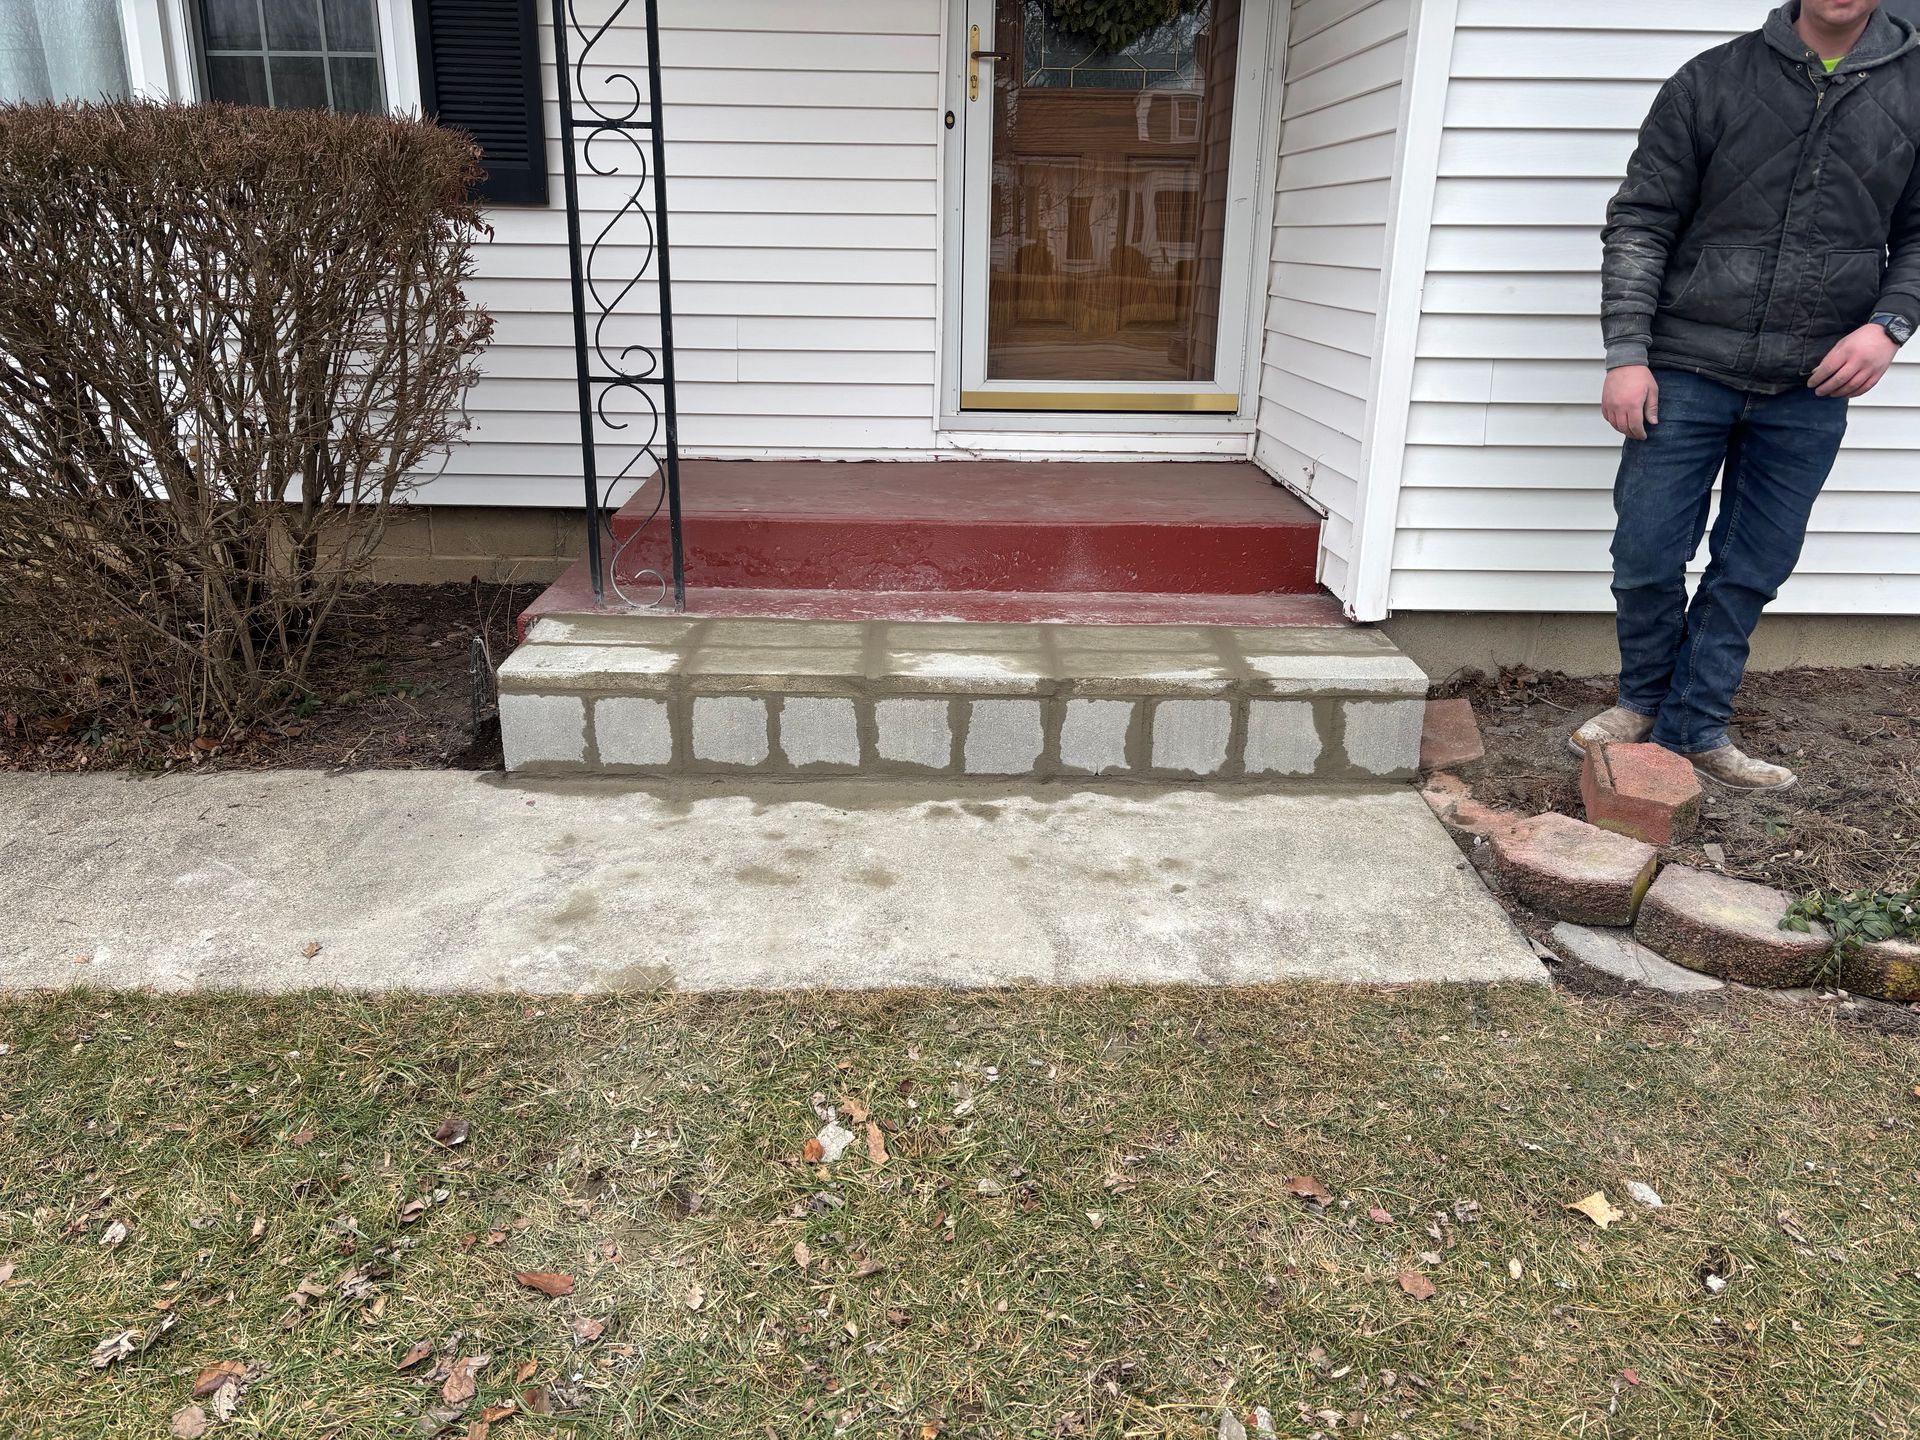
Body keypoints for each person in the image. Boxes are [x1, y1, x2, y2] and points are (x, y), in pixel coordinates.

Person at [1576, 0, 1920, 789]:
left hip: (1814, 380)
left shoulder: (1911, 89)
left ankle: (1697, 724)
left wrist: (1889, 326)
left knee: (1752, 563)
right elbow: (1641, 221)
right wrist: (1628, 353)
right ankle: (1642, 700)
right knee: (1647, 550)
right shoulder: (1712, 80)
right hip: (1687, 363)